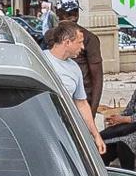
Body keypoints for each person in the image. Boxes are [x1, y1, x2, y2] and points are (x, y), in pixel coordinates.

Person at [45, 22, 106, 155]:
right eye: (80, 42)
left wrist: (95, 135)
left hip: (66, 130)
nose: (83, 47)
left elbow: (81, 103)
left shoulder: (74, 68)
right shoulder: (41, 60)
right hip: (44, 129)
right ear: (67, 42)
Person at [54, 0, 103, 116]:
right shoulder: (50, 36)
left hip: (81, 100)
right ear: (58, 13)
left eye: (75, 12)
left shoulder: (89, 39)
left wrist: (92, 112)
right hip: (57, 98)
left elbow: (97, 78)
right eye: (68, 13)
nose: (73, 17)